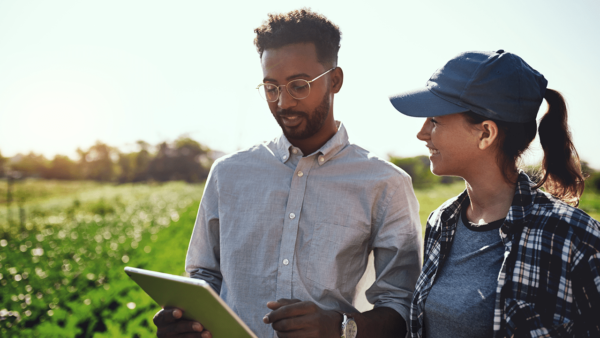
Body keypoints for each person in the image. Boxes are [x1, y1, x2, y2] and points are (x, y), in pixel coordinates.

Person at [153, 9, 422, 338]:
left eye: (298, 86)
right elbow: (204, 278)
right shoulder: (227, 174)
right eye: (271, 87)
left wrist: (341, 328)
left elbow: (402, 306)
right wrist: (184, 321)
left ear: (334, 80)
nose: (283, 103)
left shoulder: (386, 184)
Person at [388, 50, 600, 337]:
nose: (422, 133)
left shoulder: (573, 235)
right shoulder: (441, 222)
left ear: (486, 133)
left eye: (435, 120)